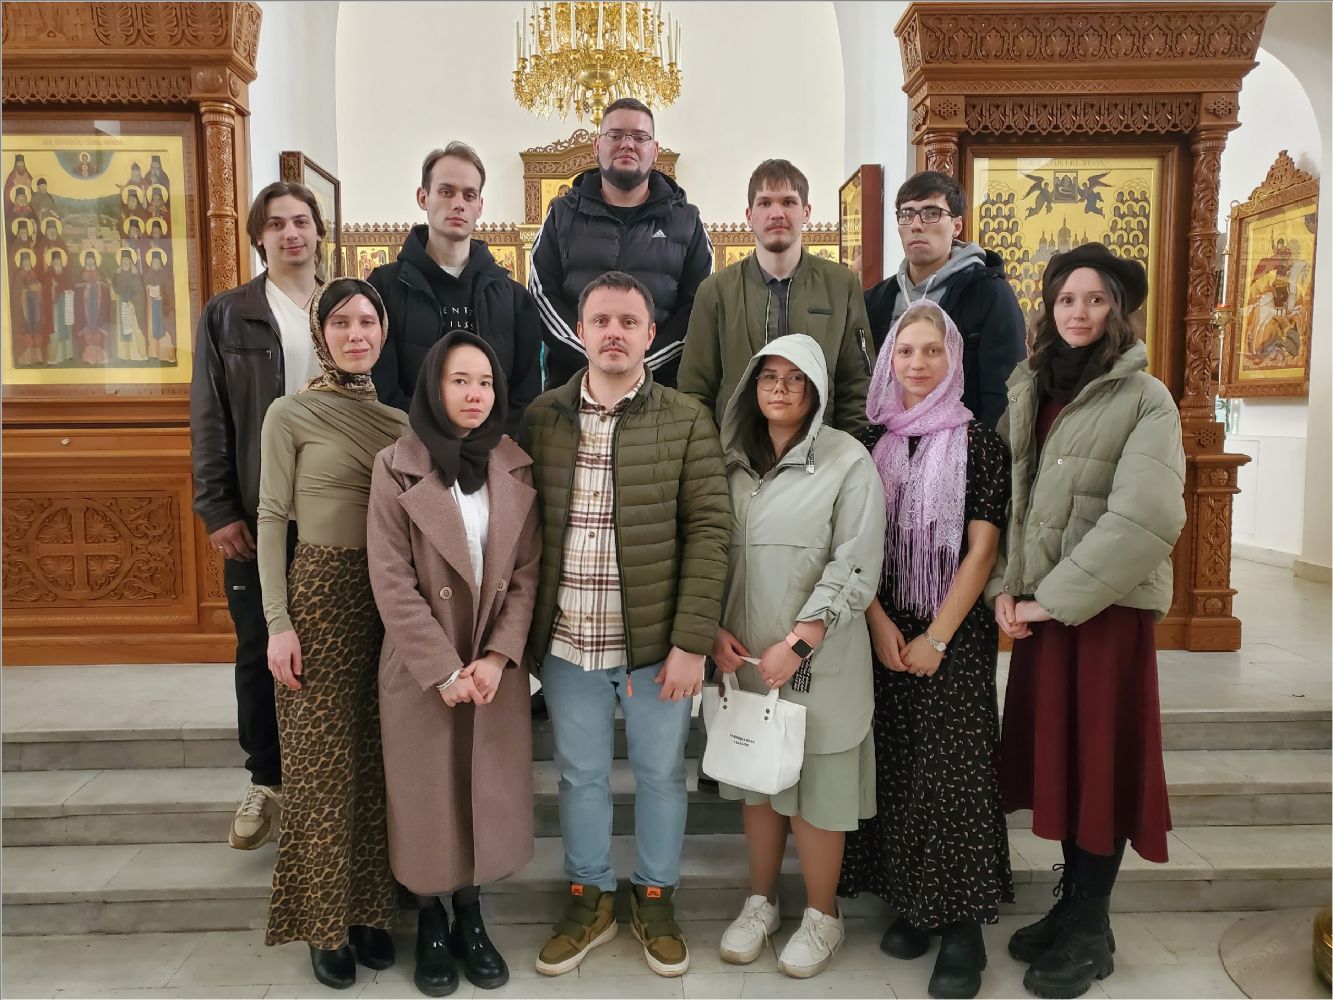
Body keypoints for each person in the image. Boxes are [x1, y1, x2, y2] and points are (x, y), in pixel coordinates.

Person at [990, 243, 1185, 1000]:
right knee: (1064, 764)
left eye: (1095, 299)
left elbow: (1145, 518)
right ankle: (1071, 904)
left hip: (1102, 616)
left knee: (1100, 765)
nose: (1078, 312)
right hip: (1044, 612)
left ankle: (1093, 928)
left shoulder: (1145, 398)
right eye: (1066, 299)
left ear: (1117, 310)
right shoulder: (1031, 386)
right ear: (1049, 307)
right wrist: (1005, 589)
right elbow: (1009, 496)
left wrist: (1049, 600)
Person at [524, 271, 729, 979]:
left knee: (661, 775)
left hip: (654, 647)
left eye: (628, 321)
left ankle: (655, 898)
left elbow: (710, 532)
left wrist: (691, 643)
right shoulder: (542, 417)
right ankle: (589, 898)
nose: (614, 333)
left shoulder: (685, 418)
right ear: (579, 331)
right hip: (567, 642)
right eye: (601, 320)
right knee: (579, 776)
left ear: (650, 334)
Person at [839, 300, 1013, 1000]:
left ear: (953, 359)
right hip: (882, 627)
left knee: (953, 773)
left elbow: (981, 551)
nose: (917, 363)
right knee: (898, 766)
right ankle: (914, 902)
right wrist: (878, 622)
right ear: (889, 359)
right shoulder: (866, 442)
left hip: (953, 633)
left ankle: (964, 929)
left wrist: (936, 637)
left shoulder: (980, 444)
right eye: (906, 351)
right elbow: (851, 545)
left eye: (931, 351)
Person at [367, 331, 541, 996]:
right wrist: (442, 669)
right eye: (460, 380)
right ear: (433, 388)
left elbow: (526, 574)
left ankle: (471, 913)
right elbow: (390, 579)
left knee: (480, 790)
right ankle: (431, 922)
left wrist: (497, 657)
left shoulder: (514, 464)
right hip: (423, 666)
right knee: (427, 794)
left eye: (485, 382)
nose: (475, 394)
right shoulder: (395, 465)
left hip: (491, 665)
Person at [709, 334, 885, 980]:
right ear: (751, 388)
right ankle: (760, 903)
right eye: (768, 377)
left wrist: (800, 641)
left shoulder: (847, 461)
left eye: (794, 378)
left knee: (816, 795)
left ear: (814, 390)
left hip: (819, 662)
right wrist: (710, 630)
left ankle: (821, 915)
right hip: (746, 661)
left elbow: (855, 560)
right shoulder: (730, 463)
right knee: (758, 786)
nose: (780, 389)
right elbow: (708, 551)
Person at [258, 278, 406, 989]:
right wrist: (277, 622)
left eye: (367, 322)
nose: (355, 335)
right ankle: (324, 923)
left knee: (377, 762)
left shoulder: (400, 423)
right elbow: (269, 517)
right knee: (320, 767)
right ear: (320, 334)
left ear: (383, 332)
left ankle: (371, 910)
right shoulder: (290, 413)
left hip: (387, 600)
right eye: (341, 323)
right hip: (318, 597)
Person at [189, 181, 325, 851]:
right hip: (258, 507)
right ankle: (266, 779)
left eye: (301, 221)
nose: (291, 233)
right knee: (258, 645)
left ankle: (326, 779)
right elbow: (210, 417)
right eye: (276, 223)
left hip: (334, 512)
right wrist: (217, 507)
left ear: (319, 230)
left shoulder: (344, 304)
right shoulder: (230, 314)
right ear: (258, 236)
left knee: (332, 646)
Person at [679, 159, 874, 435]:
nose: (777, 213)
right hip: (737, 452)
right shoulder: (715, 291)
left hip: (821, 451)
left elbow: (857, 386)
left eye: (788, 202)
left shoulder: (841, 286)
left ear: (806, 212)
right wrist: (710, 455)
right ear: (749, 215)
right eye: (765, 203)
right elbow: (695, 391)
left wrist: (849, 452)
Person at [529, 97, 712, 390]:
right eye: (615, 136)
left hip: (661, 390)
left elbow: (698, 307)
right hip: (572, 388)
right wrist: (596, 362)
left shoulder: (687, 221)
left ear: (655, 150)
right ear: (597, 145)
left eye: (639, 137)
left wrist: (640, 367)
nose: (627, 144)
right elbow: (542, 297)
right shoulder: (560, 215)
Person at [369, 142, 542, 437]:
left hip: (493, 451)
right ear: (423, 197)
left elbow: (524, 395)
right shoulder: (384, 287)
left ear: (480, 206)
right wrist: (430, 437)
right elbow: (382, 386)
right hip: (409, 445)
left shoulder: (515, 299)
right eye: (446, 192)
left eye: (469, 195)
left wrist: (488, 443)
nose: (458, 203)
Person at [864, 171, 1026, 428]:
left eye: (931, 213)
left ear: (957, 226)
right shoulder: (876, 300)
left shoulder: (989, 294)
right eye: (906, 214)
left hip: (964, 441)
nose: (916, 225)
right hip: (886, 439)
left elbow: (1003, 391)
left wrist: (984, 445)